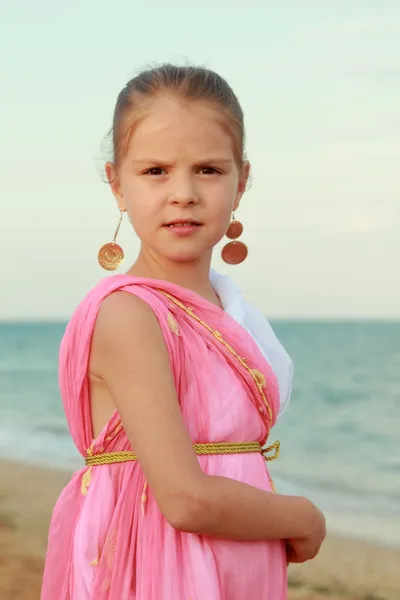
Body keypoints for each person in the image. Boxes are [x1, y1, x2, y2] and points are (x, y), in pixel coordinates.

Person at [41, 64, 326, 600]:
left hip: (239, 564)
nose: (184, 193)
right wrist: (302, 516)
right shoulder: (129, 315)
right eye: (155, 171)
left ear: (242, 182)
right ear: (116, 183)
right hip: (157, 566)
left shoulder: (233, 309)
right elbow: (185, 499)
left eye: (209, 170)